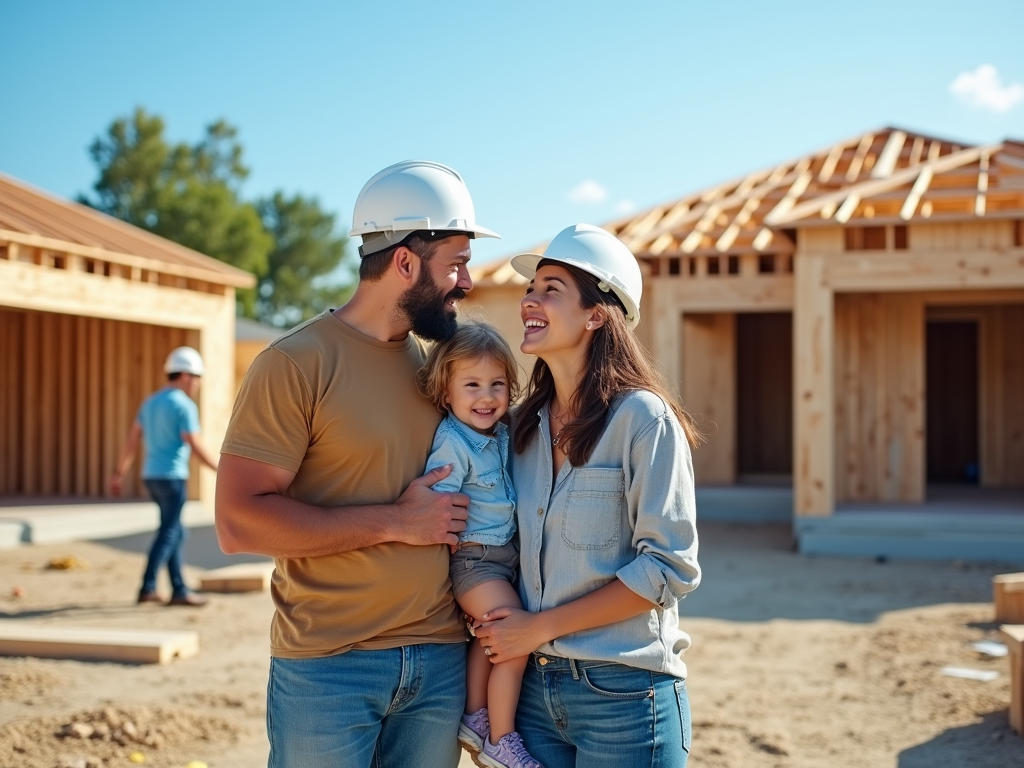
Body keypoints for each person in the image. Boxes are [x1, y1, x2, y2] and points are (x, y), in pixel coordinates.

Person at [215, 160, 499, 768]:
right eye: (455, 263)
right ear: (404, 262)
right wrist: (396, 522)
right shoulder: (293, 365)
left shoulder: (441, 369)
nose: (467, 281)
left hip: (440, 660)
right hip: (328, 667)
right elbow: (238, 523)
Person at [473, 224, 702, 768]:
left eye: (551, 288)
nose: (530, 298)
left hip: (625, 696)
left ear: (597, 314)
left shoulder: (642, 419)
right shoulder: (519, 429)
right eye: (532, 288)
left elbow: (669, 569)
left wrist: (539, 628)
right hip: (530, 695)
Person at [416, 322, 542, 768]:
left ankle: (474, 716)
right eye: (471, 385)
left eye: (497, 385)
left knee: (486, 639)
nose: (486, 396)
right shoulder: (453, 442)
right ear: (446, 392)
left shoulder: (500, 435)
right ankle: (500, 740)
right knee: (514, 636)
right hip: (474, 561)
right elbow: (436, 504)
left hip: (501, 558)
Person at [109, 346, 219, 606]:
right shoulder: (184, 406)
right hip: (172, 478)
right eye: (197, 377)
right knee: (169, 532)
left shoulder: (150, 402)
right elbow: (194, 444)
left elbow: (132, 440)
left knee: (175, 531)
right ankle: (148, 586)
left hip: (151, 476)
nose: (198, 383)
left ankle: (179, 589)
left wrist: (119, 473)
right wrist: (222, 470)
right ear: (184, 375)